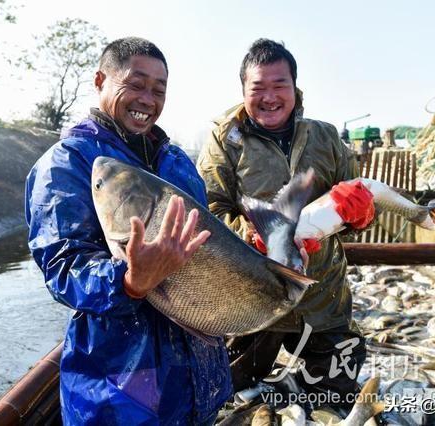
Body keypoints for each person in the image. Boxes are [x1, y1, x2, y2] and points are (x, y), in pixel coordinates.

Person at [25, 37, 231, 425]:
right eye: (136, 84)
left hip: (198, 376)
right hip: (120, 384)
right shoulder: (66, 162)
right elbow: (64, 269)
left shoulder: (177, 161)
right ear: (101, 80)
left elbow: (210, 241)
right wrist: (131, 281)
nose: (147, 99)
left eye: (158, 90)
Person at [197, 39, 373, 410]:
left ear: (295, 87)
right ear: (243, 90)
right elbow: (207, 208)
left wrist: (361, 214)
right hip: (252, 296)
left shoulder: (325, 136)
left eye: (280, 85)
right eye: (258, 88)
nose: (270, 97)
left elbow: (354, 207)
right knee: (226, 396)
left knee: (336, 398)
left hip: (322, 298)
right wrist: (250, 234)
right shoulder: (223, 140)